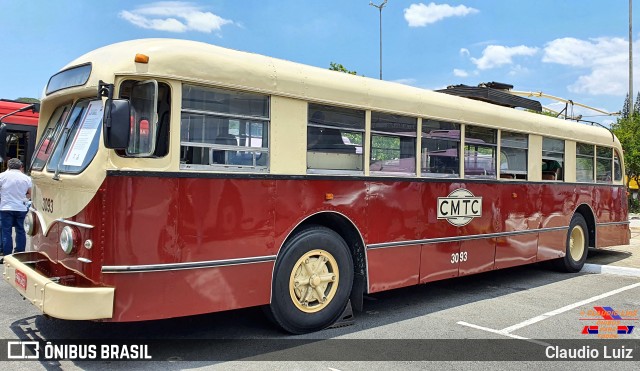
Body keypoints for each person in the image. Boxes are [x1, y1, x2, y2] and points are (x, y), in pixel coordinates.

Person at [0, 158, 32, 261]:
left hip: (5, 208)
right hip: (21, 208)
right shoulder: (26, 178)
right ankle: (19, 253)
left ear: (8, 166)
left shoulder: (2, 176)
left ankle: (7, 255)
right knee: (21, 231)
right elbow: (30, 194)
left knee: (6, 232)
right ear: (20, 167)